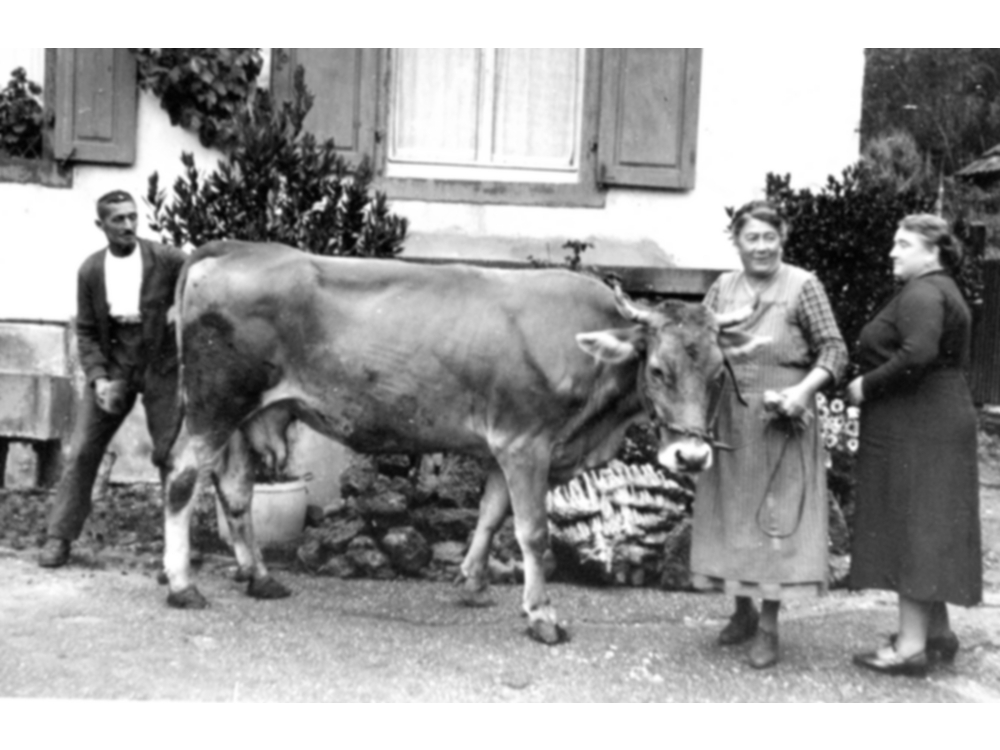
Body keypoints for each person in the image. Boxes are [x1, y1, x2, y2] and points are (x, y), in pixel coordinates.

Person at [691, 200, 848, 668]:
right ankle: (741, 610)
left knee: (774, 522)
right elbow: (699, 345)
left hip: (784, 419)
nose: (761, 247)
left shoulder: (804, 285)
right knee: (732, 516)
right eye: (751, 238)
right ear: (736, 242)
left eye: (769, 237)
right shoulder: (722, 288)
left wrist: (802, 392)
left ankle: (769, 627)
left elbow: (835, 351)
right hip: (731, 419)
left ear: (783, 240)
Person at [847, 214, 982, 677]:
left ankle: (909, 648)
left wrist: (867, 385)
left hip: (922, 423)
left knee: (915, 526)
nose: (892, 251)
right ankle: (936, 633)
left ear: (933, 252)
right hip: (935, 418)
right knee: (929, 523)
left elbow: (918, 353)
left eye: (903, 244)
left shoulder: (924, 292)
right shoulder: (941, 289)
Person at [38, 190, 187, 568]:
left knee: (169, 452)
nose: (128, 225)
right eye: (118, 219)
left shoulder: (165, 258)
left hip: (160, 362)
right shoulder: (91, 270)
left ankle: (178, 547)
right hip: (115, 359)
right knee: (84, 448)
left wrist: (179, 311)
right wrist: (99, 378)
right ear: (100, 225)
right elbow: (86, 330)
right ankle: (59, 538)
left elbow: (198, 278)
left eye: (132, 217)